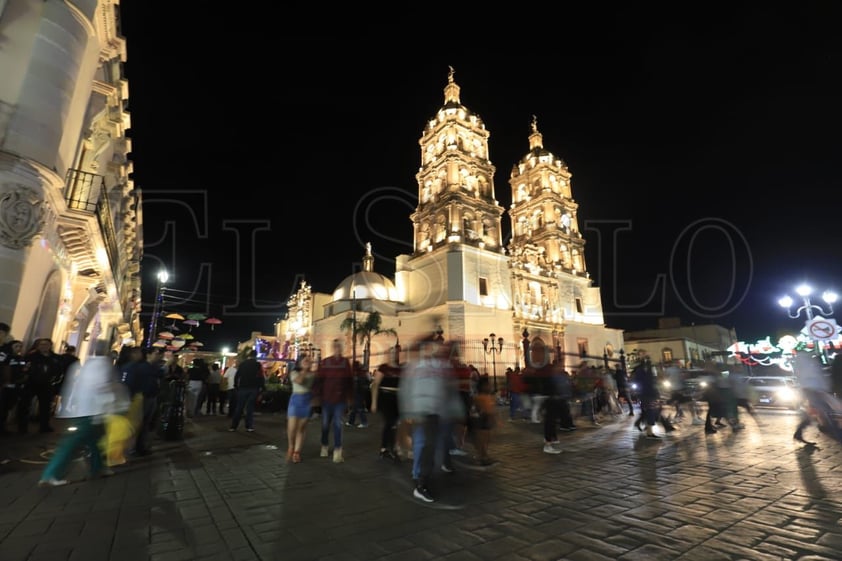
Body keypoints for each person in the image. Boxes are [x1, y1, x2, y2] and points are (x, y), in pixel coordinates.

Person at [38, 342, 130, 487]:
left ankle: (97, 468)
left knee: (95, 442)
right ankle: (52, 473)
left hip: (82, 410)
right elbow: (103, 387)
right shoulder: (103, 366)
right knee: (72, 444)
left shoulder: (83, 365)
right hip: (92, 412)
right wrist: (112, 406)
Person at [311, 339, 354, 463]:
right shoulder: (325, 362)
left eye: (339, 346)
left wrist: (350, 398)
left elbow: (349, 381)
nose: (337, 349)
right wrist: (315, 396)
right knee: (325, 425)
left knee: (337, 425)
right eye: (335, 346)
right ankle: (324, 445)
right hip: (326, 399)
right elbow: (319, 380)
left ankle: (337, 451)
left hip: (340, 400)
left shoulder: (345, 363)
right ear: (333, 348)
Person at [370, 358, 402, 461]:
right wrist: (374, 402)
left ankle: (390, 447)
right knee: (390, 422)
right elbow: (375, 384)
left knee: (395, 424)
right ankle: (386, 448)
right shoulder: (383, 368)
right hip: (386, 398)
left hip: (397, 398)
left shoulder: (401, 368)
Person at [286, 355, 315, 463]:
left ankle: (297, 452)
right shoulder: (294, 373)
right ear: (299, 363)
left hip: (307, 400)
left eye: (309, 360)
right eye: (305, 360)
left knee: (301, 428)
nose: (308, 362)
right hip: (295, 400)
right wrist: (303, 370)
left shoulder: (312, 375)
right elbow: (299, 381)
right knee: (292, 427)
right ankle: (291, 446)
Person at [229, 350, 265, 432]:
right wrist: (262, 388)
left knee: (239, 407)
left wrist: (236, 385)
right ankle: (249, 426)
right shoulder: (257, 365)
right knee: (250, 408)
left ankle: (233, 426)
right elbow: (261, 377)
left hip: (243, 387)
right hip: (253, 388)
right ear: (255, 356)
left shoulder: (243, 364)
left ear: (249, 355)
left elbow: (237, 375)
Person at [472, 375, 498, 465]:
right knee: (482, 439)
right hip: (482, 419)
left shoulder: (486, 396)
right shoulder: (480, 397)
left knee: (486, 439)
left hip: (484, 420)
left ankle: (483, 455)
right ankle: (481, 456)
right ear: (483, 386)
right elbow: (484, 410)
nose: (490, 386)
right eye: (488, 385)